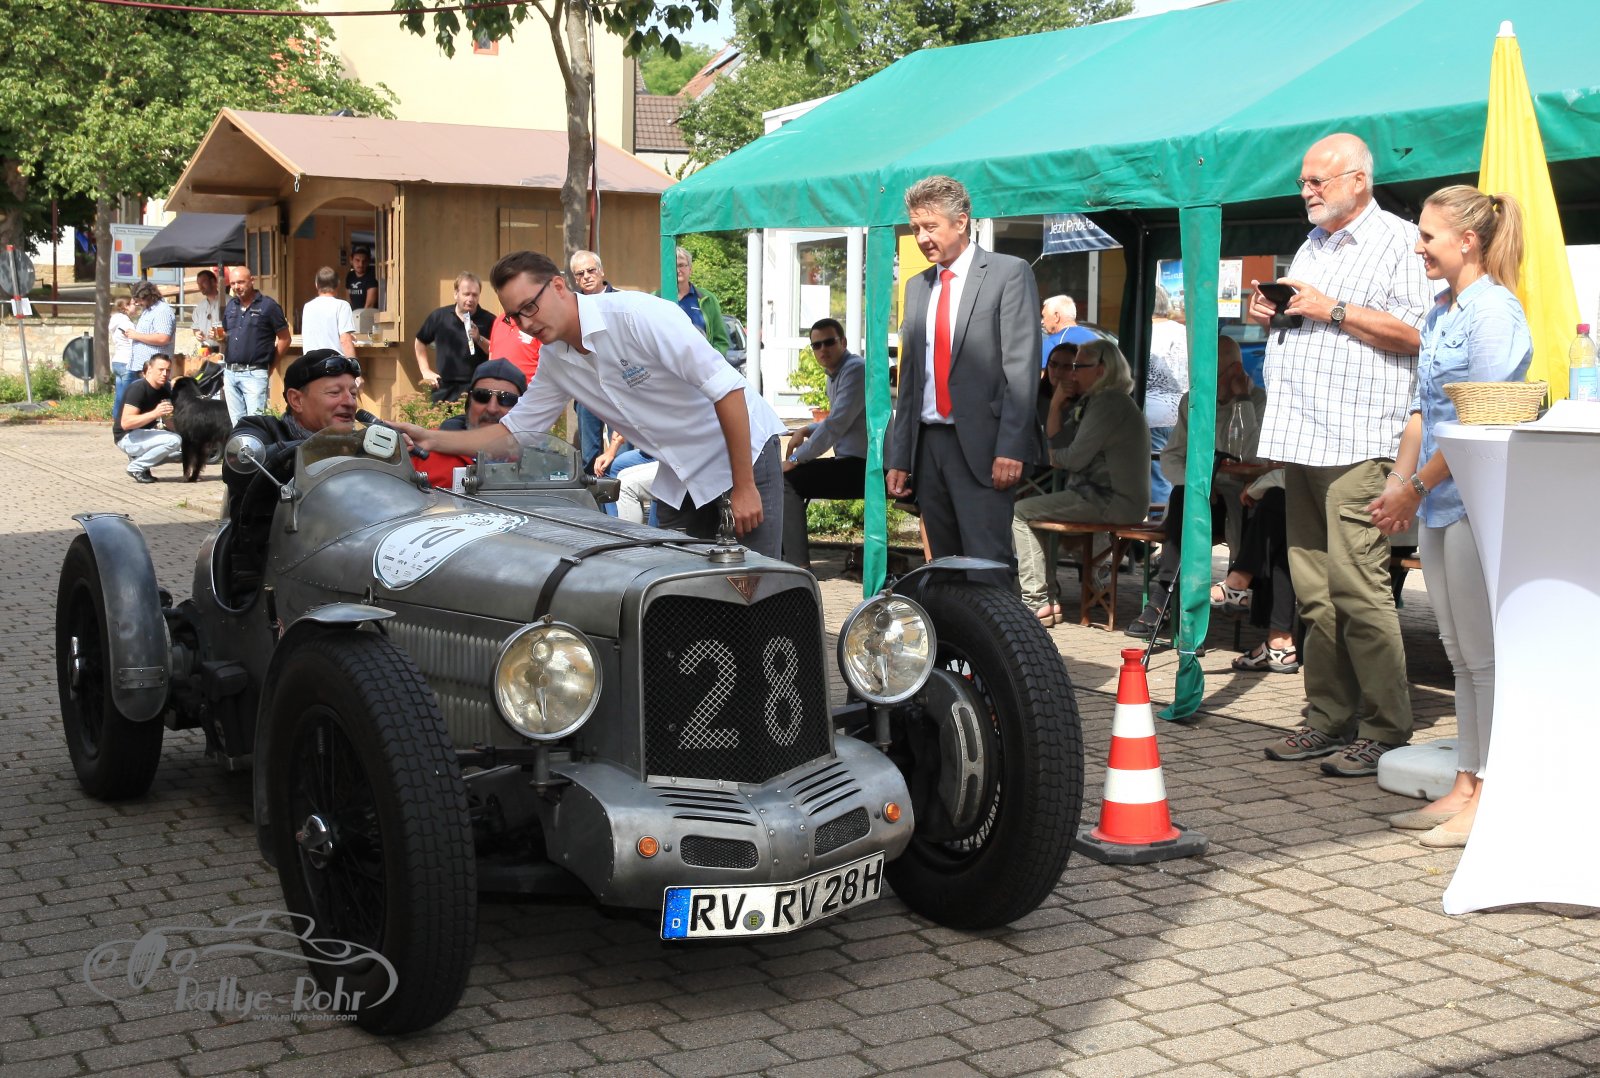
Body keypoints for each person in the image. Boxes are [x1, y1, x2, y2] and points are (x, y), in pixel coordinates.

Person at [400, 251, 788, 557]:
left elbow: (727, 390)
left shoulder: (636, 315)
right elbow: (512, 435)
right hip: (680, 473)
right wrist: (429, 438)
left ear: (558, 286)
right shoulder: (554, 359)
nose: (526, 324)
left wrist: (744, 486)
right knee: (676, 590)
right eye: (515, 317)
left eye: (529, 307)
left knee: (753, 586)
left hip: (743, 455)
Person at [1255, 132, 1434, 778]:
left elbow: (1418, 334)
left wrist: (1331, 308)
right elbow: (1317, 322)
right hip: (1301, 436)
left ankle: (1385, 729)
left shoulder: (1400, 242)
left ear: (1359, 180)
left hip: (1359, 439)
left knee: (1359, 592)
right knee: (1314, 594)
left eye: (1318, 181)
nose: (1306, 191)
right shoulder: (1314, 243)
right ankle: (1328, 718)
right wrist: (1279, 314)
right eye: (1303, 182)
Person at [1368, 186, 1530, 847]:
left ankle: (1490, 794)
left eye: (1428, 236)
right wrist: (1401, 484)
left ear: (1467, 240)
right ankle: (1466, 784)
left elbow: (1481, 419)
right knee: (1461, 654)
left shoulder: (1495, 313)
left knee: (1482, 656)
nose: (1418, 247)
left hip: (1476, 498)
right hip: (1439, 499)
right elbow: (1422, 412)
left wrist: (1415, 486)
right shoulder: (1441, 311)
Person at [886, 175, 1042, 588]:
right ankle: (952, 634)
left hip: (984, 448)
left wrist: (1011, 447)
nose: (922, 238)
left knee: (987, 566)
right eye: (915, 228)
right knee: (944, 569)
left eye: (930, 226)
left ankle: (1003, 634)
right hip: (928, 446)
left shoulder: (1008, 273)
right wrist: (900, 456)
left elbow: (1021, 368)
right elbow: (910, 379)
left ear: (961, 222)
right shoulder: (918, 287)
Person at [1126, 335, 1265, 639]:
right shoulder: (1193, 400)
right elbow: (1172, 456)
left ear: (1236, 371)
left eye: (1212, 375)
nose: (1203, 383)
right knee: (1183, 497)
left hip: (1244, 499)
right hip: (1201, 496)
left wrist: (1241, 400)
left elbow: (1250, 455)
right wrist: (1197, 485)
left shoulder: (1258, 401)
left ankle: (1165, 603)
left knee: (1193, 504)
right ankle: (1165, 597)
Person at [1012, 340, 1149, 622]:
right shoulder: (1096, 400)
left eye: (1078, 367)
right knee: (1033, 513)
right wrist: (1056, 405)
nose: (1071, 374)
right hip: (1103, 497)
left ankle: (1037, 600)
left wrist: (1048, 456)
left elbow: (1072, 458)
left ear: (1101, 370)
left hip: (1110, 500)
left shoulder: (1109, 403)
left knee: (1021, 512)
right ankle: (1047, 598)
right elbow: (1060, 441)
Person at [223, 349, 361, 596]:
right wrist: (324, 445)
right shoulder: (258, 429)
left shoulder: (362, 442)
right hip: (266, 580)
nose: (349, 402)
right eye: (334, 392)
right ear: (296, 400)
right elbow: (238, 466)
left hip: (350, 568)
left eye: (353, 393)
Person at [782, 318, 867, 569]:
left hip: (869, 467)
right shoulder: (836, 374)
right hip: (853, 463)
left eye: (829, 342)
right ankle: (785, 556)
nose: (822, 350)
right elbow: (841, 421)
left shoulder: (855, 370)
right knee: (786, 478)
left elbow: (836, 425)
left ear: (844, 342)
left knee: (786, 481)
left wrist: (795, 459)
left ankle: (798, 567)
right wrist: (805, 429)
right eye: (816, 345)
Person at [412, 358, 527, 488]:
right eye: (482, 396)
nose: (492, 409)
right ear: (468, 403)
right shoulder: (423, 450)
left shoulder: (538, 462)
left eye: (507, 399)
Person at [221, 267, 292, 424]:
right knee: (237, 425)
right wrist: (219, 337)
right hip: (230, 372)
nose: (236, 287)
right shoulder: (231, 305)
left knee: (255, 424)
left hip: (254, 373)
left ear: (252, 281)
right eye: (232, 283)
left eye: (241, 282)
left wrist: (271, 366)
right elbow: (227, 335)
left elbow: (285, 338)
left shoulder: (268, 306)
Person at [570, 249, 619, 473]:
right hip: (587, 385)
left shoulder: (620, 300)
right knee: (589, 454)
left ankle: (620, 492)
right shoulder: (572, 306)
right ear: (575, 279)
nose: (587, 276)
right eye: (580, 273)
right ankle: (593, 493)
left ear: (601, 271)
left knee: (621, 450)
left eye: (591, 270)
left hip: (620, 383)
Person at [414, 272, 496, 402]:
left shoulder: (489, 320)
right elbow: (420, 341)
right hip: (444, 388)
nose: (470, 299)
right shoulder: (439, 316)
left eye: (475, 295)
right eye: (466, 294)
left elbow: (496, 351)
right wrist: (425, 370)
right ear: (456, 294)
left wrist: (479, 339)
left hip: (476, 388)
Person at [1146, 284, 1190, 508]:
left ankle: (1161, 521)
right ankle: (1176, 518)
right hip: (1183, 413)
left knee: (1159, 476)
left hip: (1152, 415)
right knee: (1179, 473)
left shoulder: (1145, 333)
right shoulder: (1184, 332)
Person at [114, 353, 182, 483]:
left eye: (168, 370)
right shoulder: (138, 388)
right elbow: (126, 423)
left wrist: (187, 435)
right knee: (174, 441)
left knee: (182, 446)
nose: (164, 374)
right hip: (127, 437)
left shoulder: (165, 389)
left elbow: (168, 421)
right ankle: (136, 467)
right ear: (149, 369)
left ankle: (139, 460)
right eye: (160, 369)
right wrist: (155, 413)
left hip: (143, 435)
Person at [674, 247, 730, 357]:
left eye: (681, 265)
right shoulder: (656, 298)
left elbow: (721, 341)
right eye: (673, 266)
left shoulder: (707, 299)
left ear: (690, 269)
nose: (677, 270)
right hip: (666, 365)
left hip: (700, 365)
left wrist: (711, 361)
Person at [127, 280, 175, 385]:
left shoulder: (162, 311)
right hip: (141, 367)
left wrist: (136, 335)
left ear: (148, 297)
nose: (138, 303)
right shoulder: (148, 310)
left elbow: (163, 338)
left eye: (139, 300)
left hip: (153, 370)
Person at [300, 266, 356, 356]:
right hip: (333, 362)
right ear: (338, 284)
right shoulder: (342, 306)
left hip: (310, 361)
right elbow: (345, 340)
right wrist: (353, 363)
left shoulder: (307, 307)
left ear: (316, 284)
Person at [1040, 295, 1098, 368]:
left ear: (1056, 316)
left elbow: (1043, 374)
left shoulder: (1052, 342)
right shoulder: (1093, 337)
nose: (1042, 321)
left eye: (1044, 316)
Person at [109, 296, 138, 431]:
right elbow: (134, 343)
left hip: (117, 361)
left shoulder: (115, 321)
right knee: (128, 397)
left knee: (120, 395)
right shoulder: (127, 324)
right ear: (125, 306)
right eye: (133, 304)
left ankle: (117, 422)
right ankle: (124, 424)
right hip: (127, 362)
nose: (136, 306)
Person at [190, 270, 222, 354]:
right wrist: (197, 333)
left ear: (213, 282)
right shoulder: (199, 307)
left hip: (223, 349)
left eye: (203, 282)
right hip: (205, 350)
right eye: (198, 284)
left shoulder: (228, 302)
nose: (200, 287)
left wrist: (221, 334)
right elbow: (195, 327)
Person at [346, 247, 379, 312]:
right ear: (351, 260)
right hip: (354, 314)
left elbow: (369, 305)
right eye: (357, 260)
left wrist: (359, 317)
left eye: (364, 261)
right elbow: (348, 300)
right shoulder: (350, 275)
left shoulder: (372, 275)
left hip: (368, 315)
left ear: (368, 261)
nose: (361, 264)